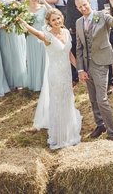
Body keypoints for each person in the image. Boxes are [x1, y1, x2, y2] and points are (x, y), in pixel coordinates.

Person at [22, 9, 82, 150]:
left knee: (67, 99)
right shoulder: (48, 36)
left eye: (58, 18)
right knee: (57, 101)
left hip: (66, 73)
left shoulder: (66, 33)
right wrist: (25, 25)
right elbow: (37, 33)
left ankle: (69, 127)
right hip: (55, 74)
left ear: (62, 18)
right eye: (53, 20)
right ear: (49, 22)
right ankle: (59, 134)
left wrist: (79, 70)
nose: (57, 21)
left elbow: (69, 55)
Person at [75, 0, 113, 140]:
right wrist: (81, 69)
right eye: (80, 6)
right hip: (87, 65)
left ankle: (112, 132)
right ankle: (100, 124)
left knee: (102, 99)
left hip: (101, 63)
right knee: (93, 98)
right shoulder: (78, 22)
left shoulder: (102, 15)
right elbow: (79, 47)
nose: (83, 8)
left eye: (85, 4)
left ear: (89, 2)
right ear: (77, 8)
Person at [25, 0, 48, 92]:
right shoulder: (24, 9)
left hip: (43, 36)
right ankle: (36, 83)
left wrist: (44, 1)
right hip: (31, 37)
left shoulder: (43, 8)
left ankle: (46, 82)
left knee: (44, 57)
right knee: (34, 58)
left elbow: (53, 12)